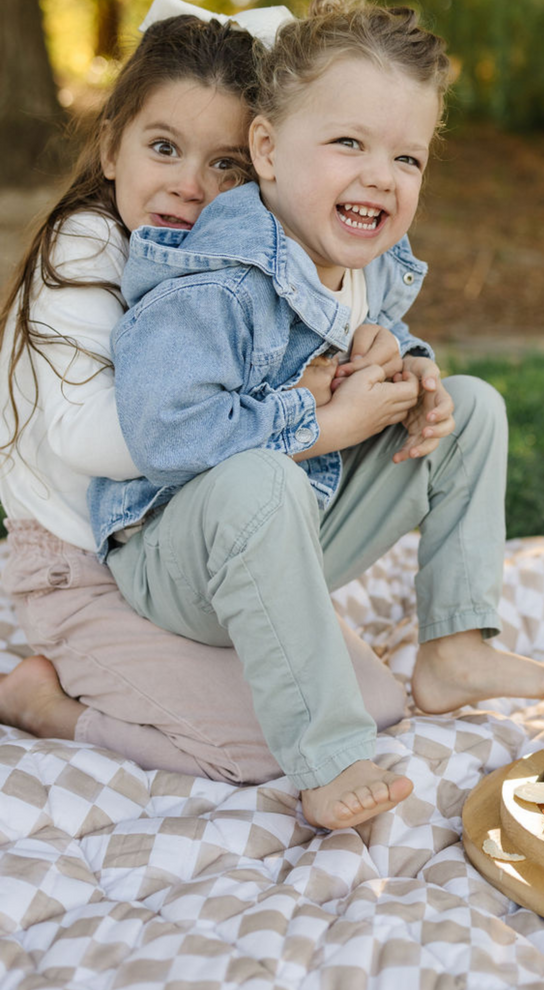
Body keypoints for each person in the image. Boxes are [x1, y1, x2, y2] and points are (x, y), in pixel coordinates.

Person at [87, 0, 544, 831]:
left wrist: (409, 375)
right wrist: (323, 425)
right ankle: (326, 755)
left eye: (407, 157)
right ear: (268, 151)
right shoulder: (212, 282)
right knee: (255, 479)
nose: (380, 176)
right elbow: (169, 438)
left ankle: (455, 648)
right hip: (177, 562)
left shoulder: (359, 263)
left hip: (293, 529)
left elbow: (380, 342)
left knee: (472, 407)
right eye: (349, 143)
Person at [0, 4, 407, 785]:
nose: (190, 187)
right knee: (271, 748)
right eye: (163, 148)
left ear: (260, 165)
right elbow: (93, 437)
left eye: (224, 166)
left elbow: (348, 314)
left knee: (375, 703)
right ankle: (48, 706)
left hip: (177, 547)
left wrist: (383, 360)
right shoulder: (87, 247)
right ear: (112, 143)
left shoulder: (226, 259)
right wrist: (304, 418)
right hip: (79, 568)